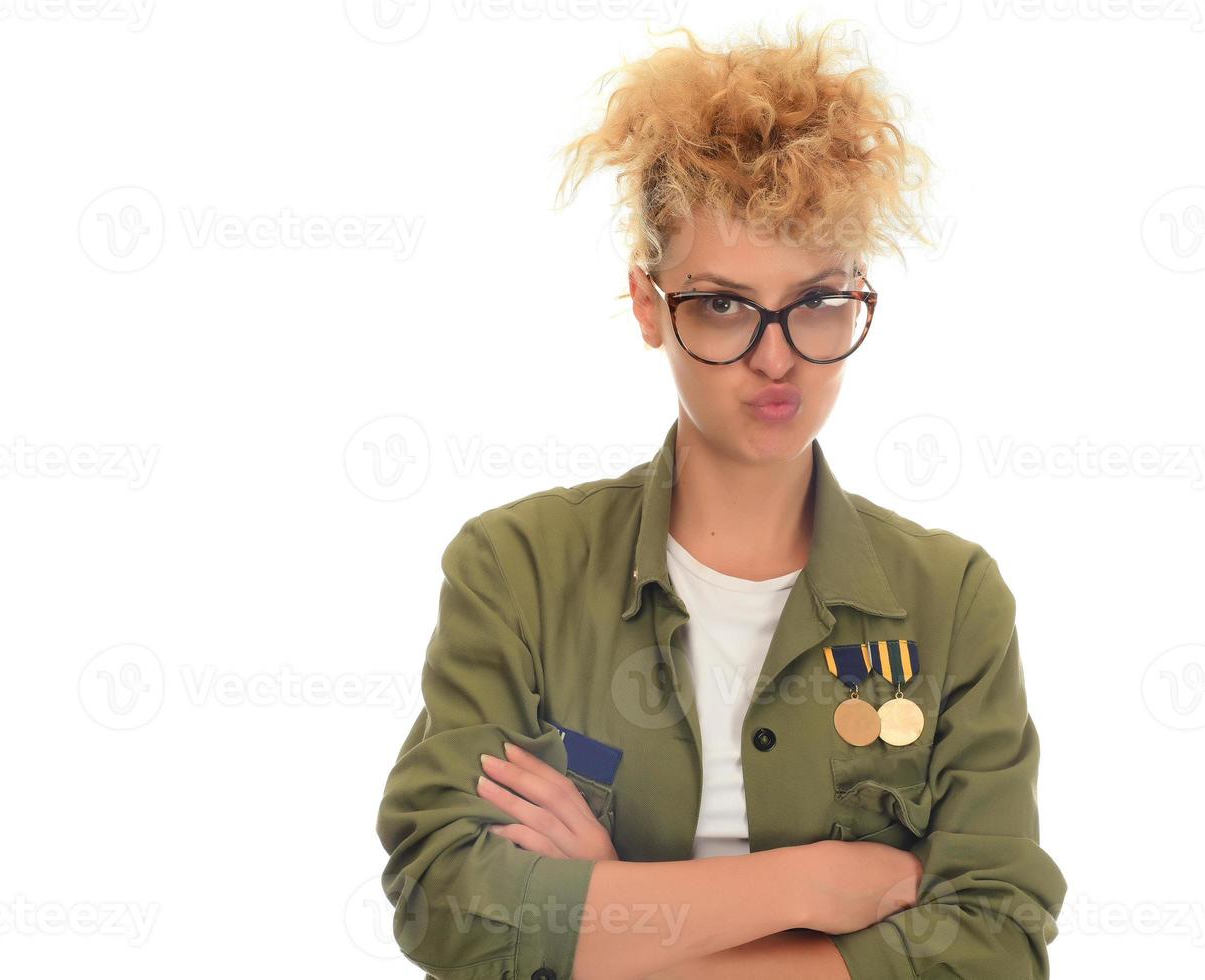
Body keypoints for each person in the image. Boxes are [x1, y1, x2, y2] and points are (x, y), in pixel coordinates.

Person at [376, 17, 1066, 980]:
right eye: (725, 305)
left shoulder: (952, 598)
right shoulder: (515, 569)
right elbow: (446, 898)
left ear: (862, 293)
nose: (776, 355)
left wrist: (617, 914)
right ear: (648, 305)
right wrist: (805, 886)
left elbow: (996, 940)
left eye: (818, 299)